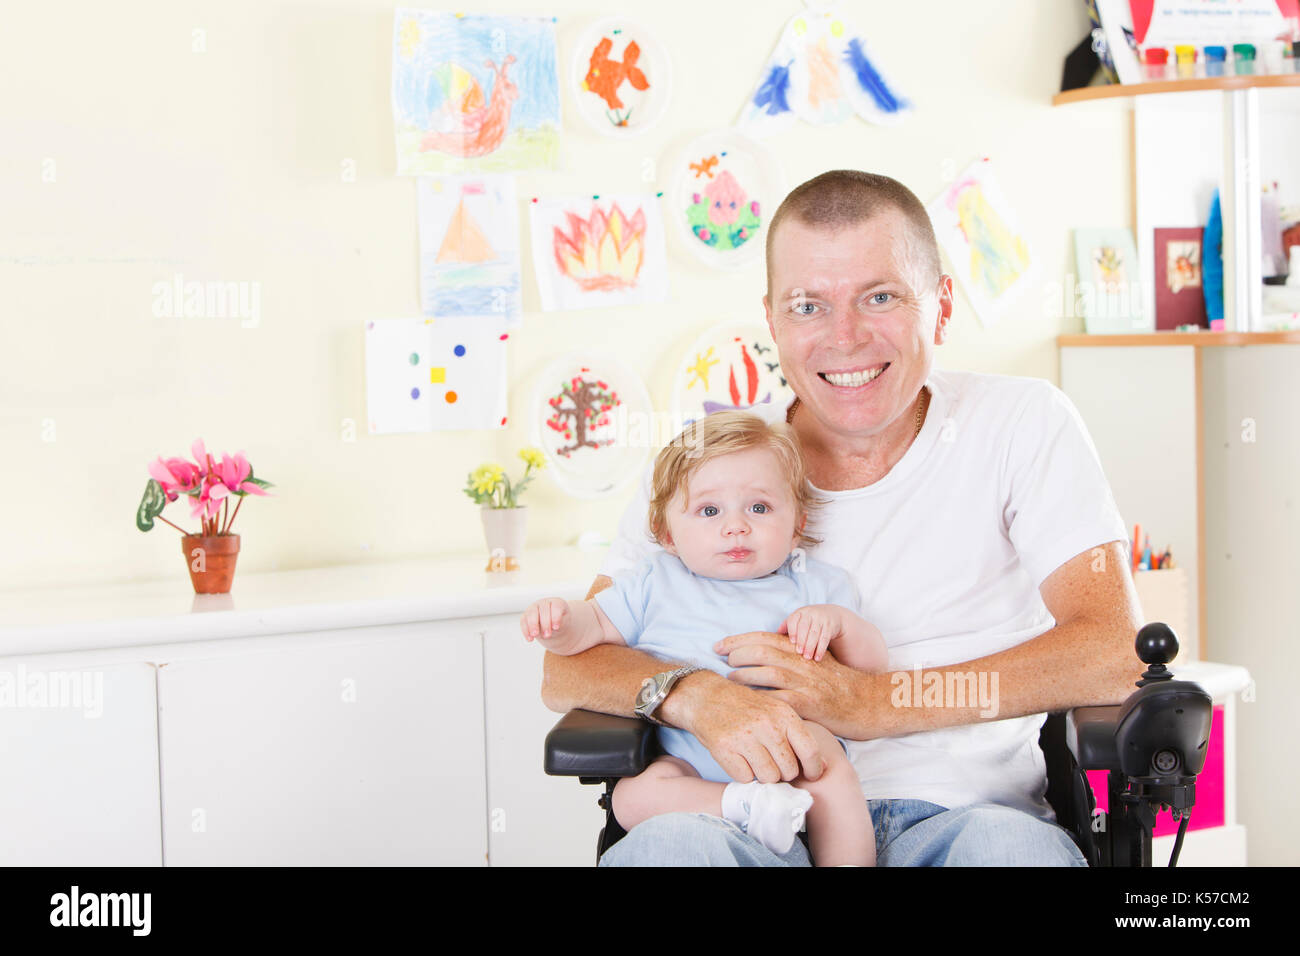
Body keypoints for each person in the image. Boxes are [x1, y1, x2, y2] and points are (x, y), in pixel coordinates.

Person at [542, 169, 1143, 867]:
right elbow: (569, 670)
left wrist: (874, 703)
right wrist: (694, 696)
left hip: (965, 820)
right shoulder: (708, 463)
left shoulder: (1021, 423)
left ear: (941, 305)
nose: (845, 337)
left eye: (880, 296)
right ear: (771, 320)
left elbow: (1115, 650)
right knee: (670, 850)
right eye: (808, 306)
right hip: (746, 818)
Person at [522, 412, 889, 866]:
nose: (735, 526)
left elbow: (871, 669)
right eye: (709, 511)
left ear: (797, 523)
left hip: (791, 750)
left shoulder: (815, 585)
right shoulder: (654, 581)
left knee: (829, 768)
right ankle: (742, 806)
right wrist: (560, 625)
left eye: (759, 508)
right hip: (687, 755)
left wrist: (838, 623)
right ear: (665, 533)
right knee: (633, 798)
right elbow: (591, 629)